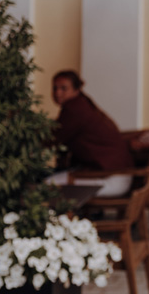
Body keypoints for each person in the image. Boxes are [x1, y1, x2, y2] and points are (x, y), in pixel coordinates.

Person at [49, 70, 133, 198]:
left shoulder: (75, 108)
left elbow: (54, 138)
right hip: (118, 174)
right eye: (55, 88)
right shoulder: (82, 103)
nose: (57, 93)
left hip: (111, 178)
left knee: (46, 187)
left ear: (76, 90)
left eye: (63, 88)